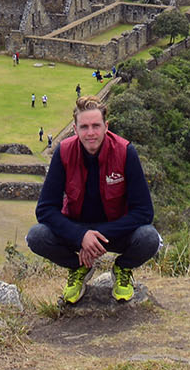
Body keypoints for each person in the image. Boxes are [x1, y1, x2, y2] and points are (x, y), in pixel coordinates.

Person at [28, 96, 160, 304]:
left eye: (96, 126)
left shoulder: (125, 152)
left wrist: (96, 237)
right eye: (85, 127)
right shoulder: (63, 153)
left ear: (106, 126)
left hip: (116, 230)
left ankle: (123, 268)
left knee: (149, 238)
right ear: (75, 128)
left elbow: (144, 212)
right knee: (36, 236)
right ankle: (79, 267)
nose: (91, 133)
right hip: (76, 228)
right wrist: (80, 236)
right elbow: (45, 209)